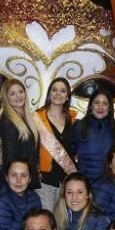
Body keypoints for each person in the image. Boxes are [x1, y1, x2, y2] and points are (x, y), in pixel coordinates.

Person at [34, 77, 77, 210]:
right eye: (54, 90)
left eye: (63, 91)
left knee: (64, 224)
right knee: (46, 222)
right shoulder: (36, 119)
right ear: (49, 94)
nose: (58, 94)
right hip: (45, 181)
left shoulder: (74, 120)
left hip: (67, 182)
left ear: (67, 97)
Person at [0, 159, 42, 230]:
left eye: (24, 175)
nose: (18, 180)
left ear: (30, 178)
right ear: (7, 178)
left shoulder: (35, 199)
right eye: (14, 175)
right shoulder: (2, 201)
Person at [0, 78, 40, 188]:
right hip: (18, 184)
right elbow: (9, 158)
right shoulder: (8, 123)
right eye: (12, 94)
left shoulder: (26, 118)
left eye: (21, 91)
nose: (18, 96)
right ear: (6, 98)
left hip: (27, 180)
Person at [73, 86, 115, 182]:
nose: (100, 107)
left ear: (110, 108)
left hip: (110, 184)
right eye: (96, 103)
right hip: (85, 184)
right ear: (90, 106)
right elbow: (69, 156)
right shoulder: (79, 126)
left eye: (105, 103)